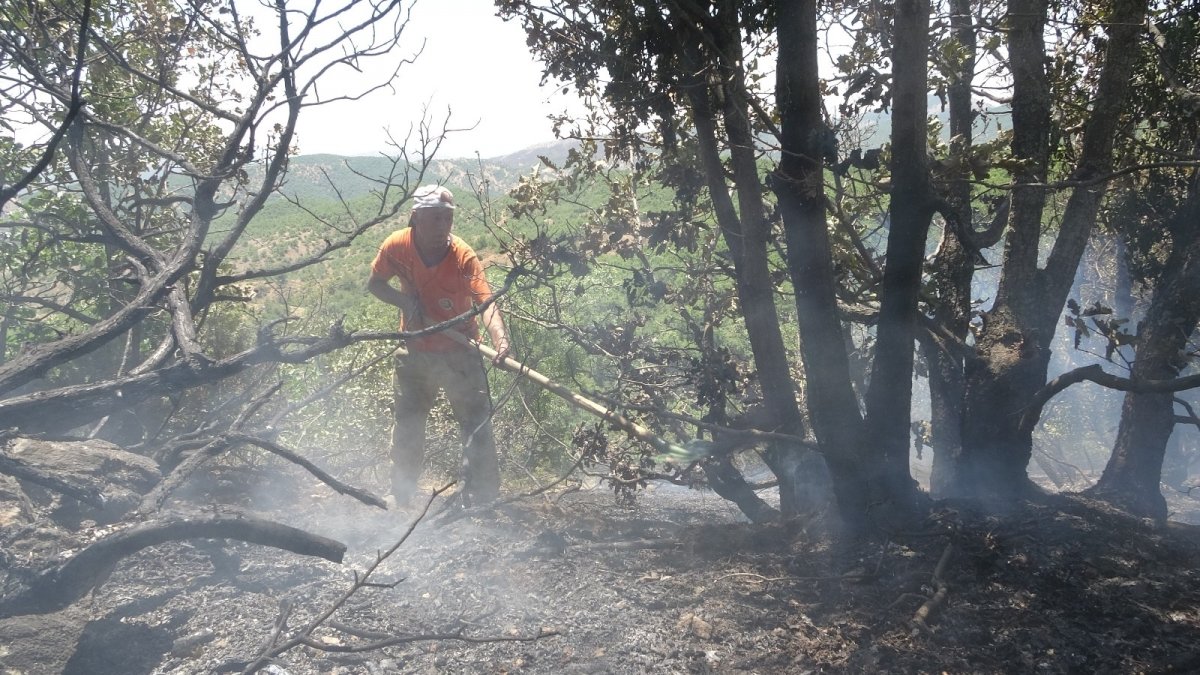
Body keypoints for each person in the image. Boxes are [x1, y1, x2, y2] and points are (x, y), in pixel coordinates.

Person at [367, 184, 511, 506]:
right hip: (415, 350)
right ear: (416, 217)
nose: (443, 227)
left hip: (460, 352)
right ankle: (400, 495)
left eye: (448, 219)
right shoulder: (396, 246)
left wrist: (499, 339)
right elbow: (375, 285)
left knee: (476, 424)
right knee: (408, 424)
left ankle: (484, 496)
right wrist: (405, 302)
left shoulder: (463, 256)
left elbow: (485, 303)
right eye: (435, 219)